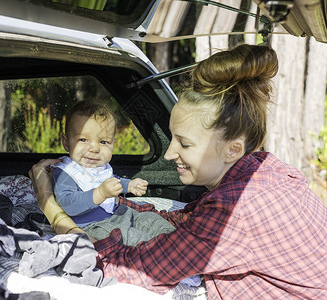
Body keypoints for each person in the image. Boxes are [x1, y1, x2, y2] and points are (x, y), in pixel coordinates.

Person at [29, 44, 327, 299]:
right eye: (171, 138)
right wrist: (129, 207)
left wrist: (50, 205)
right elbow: (193, 218)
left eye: (184, 143)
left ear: (232, 149)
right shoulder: (268, 170)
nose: (170, 154)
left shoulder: (237, 212)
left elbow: (130, 267)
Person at [51, 100, 176, 245]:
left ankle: (177, 241)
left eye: (103, 142)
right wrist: (100, 193)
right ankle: (160, 252)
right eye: (83, 140)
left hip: (118, 213)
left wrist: (129, 185)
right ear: (66, 143)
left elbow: (111, 181)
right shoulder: (65, 172)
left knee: (151, 220)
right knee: (134, 238)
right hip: (92, 226)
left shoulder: (100, 167)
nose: (94, 148)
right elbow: (69, 204)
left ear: (112, 144)